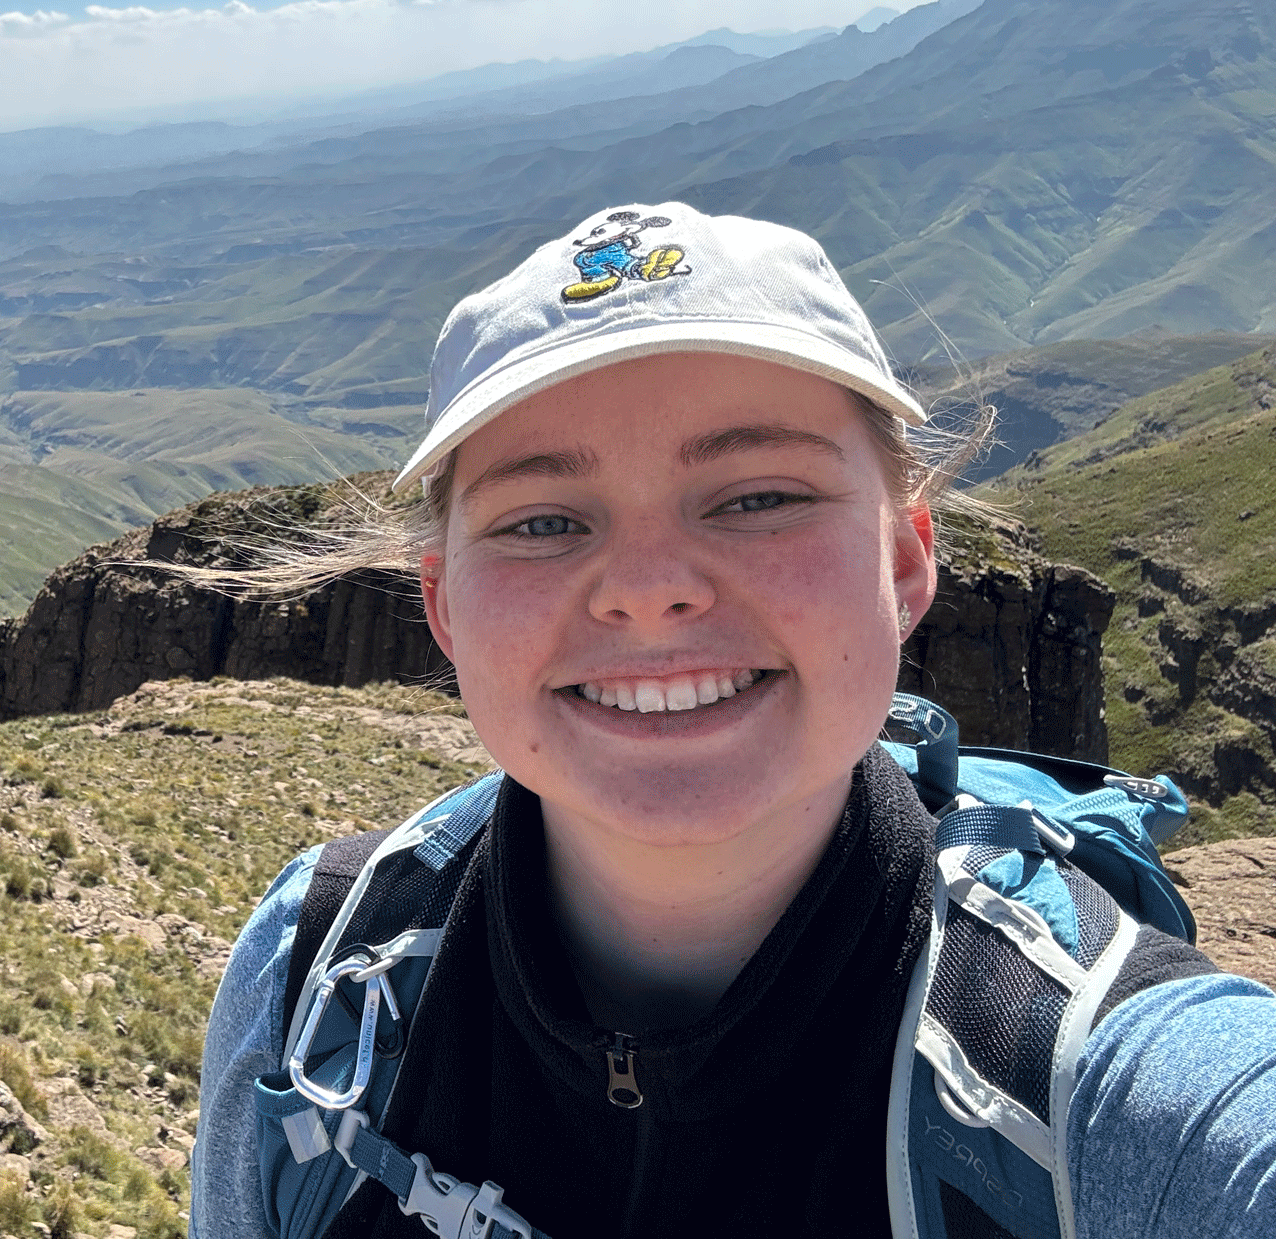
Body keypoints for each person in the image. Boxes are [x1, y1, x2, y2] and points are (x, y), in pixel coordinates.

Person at [191, 204, 1276, 1239]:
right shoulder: (312, 964)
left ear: (903, 562)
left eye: (758, 496)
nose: (649, 587)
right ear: (443, 609)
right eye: (543, 520)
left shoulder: (1103, 1081)